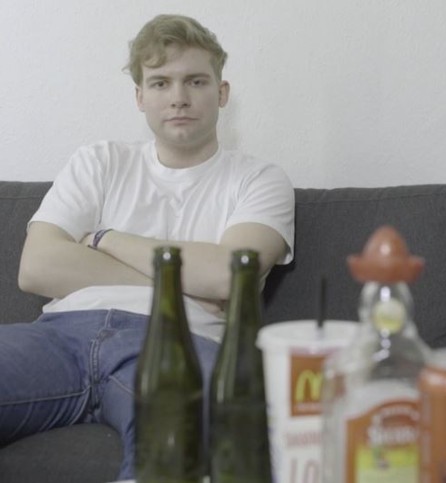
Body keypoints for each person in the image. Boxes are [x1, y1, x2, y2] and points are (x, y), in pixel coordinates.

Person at [0, 14, 295, 480]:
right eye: (160, 83)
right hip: (59, 336)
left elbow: (226, 277)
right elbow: (36, 267)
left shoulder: (258, 179)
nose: (178, 97)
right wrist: (180, 283)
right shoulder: (99, 161)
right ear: (140, 97)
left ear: (221, 92)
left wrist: (105, 239)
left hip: (180, 344)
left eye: (195, 81)